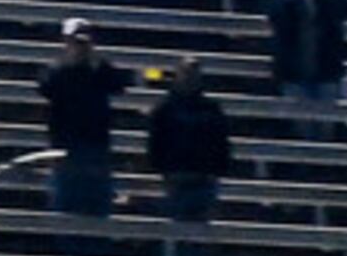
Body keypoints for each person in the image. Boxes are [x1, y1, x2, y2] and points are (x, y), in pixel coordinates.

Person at [38, 18, 129, 223]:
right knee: (66, 207)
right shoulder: (56, 71)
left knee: (97, 206)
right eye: (75, 42)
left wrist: (97, 64)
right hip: (65, 148)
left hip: (95, 147)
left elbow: (120, 86)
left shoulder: (99, 70)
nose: (80, 48)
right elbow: (45, 88)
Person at [145, 57, 233, 231]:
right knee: (178, 233)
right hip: (176, 177)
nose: (190, 78)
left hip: (204, 178)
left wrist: (218, 170)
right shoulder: (165, 109)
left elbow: (221, 141)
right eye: (186, 73)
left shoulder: (211, 108)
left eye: (193, 74)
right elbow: (156, 141)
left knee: (201, 234)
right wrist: (162, 168)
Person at [267, 0, 347, 106]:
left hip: (325, 72)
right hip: (294, 73)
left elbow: (338, 20)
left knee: (327, 124)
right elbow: (277, 20)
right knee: (300, 124)